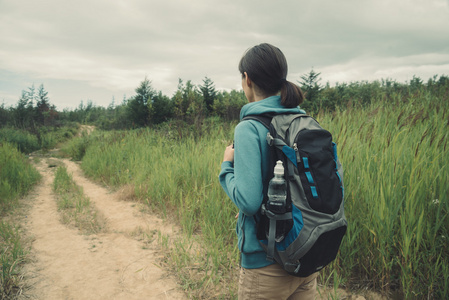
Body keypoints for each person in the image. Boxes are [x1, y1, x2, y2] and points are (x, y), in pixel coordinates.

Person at [219, 43, 318, 299]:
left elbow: (249, 202)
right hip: (306, 258)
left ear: (247, 79)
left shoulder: (249, 128)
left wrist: (226, 167)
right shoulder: (304, 121)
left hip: (266, 267)